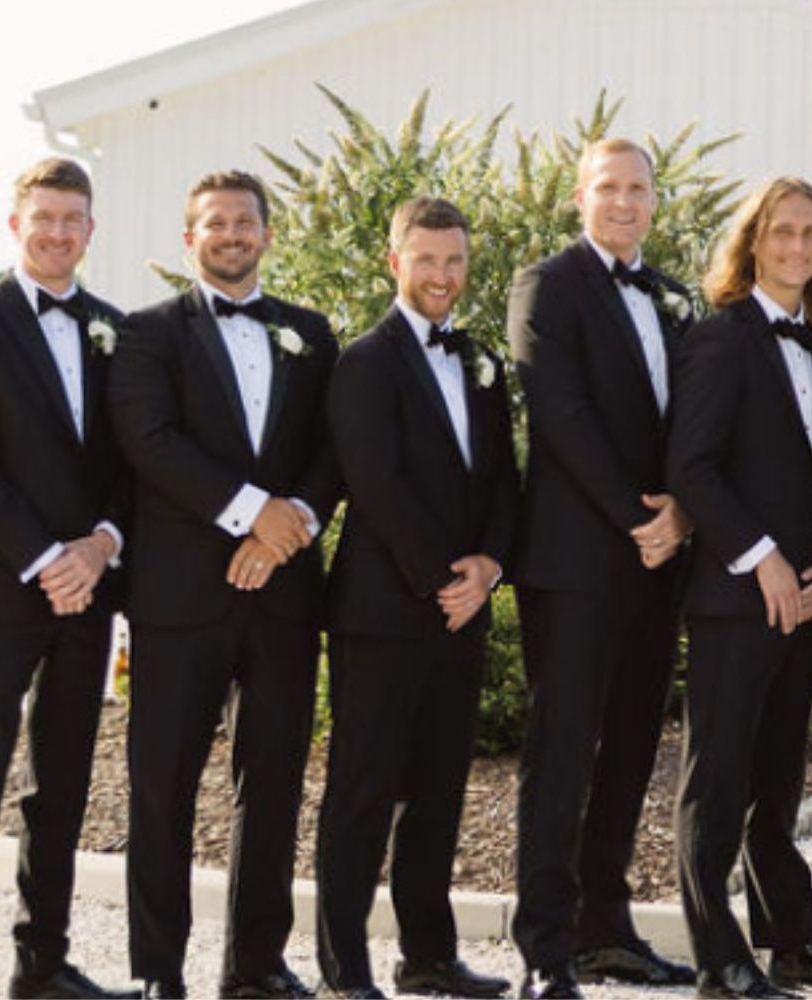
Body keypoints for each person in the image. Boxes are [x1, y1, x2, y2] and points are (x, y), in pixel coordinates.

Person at [110, 169, 342, 999]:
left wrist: (292, 525)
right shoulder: (146, 334)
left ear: (267, 234)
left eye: (246, 222)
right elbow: (149, 440)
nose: (233, 234)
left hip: (283, 597)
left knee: (272, 783)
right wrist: (253, 513)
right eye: (216, 223)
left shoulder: (311, 333)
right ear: (190, 239)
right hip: (179, 598)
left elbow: (332, 447)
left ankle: (255, 965)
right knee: (163, 789)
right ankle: (158, 972)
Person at [0, 156, 135, 1000]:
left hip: (89, 594)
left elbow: (132, 460)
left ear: (91, 229)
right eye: (43, 218)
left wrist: (102, 546)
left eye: (71, 219)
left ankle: (41, 966)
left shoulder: (117, 330)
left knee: (62, 788)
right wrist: (48, 559)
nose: (57, 233)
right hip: (0, 593)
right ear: (16, 226)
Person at [312, 197, 519, 1000]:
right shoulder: (365, 362)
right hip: (382, 612)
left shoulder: (481, 361)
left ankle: (428, 958)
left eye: (454, 260)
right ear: (394, 261)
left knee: (438, 791)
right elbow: (378, 484)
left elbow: (503, 478)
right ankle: (344, 970)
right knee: (361, 795)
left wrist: (489, 566)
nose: (441, 274)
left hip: (461, 609)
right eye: (426, 259)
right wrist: (444, 579)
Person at [505, 137, 698, 999]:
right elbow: (561, 412)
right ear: (579, 197)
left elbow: (697, 419)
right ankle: (546, 949)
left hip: (660, 561)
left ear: (655, 200)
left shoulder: (674, 298)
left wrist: (684, 512)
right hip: (577, 561)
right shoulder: (547, 285)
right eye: (608, 187)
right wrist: (638, 517)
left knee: (629, 748)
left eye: (638, 188)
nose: (624, 202)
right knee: (561, 753)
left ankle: (605, 932)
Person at [668, 176, 812, 1000]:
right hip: (738, 598)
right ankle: (719, 959)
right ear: (753, 243)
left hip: (807, 598)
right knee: (718, 781)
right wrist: (763, 557)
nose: (797, 247)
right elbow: (693, 468)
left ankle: (790, 943)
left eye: (811, 235)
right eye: (782, 231)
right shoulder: (720, 339)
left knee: (777, 781)